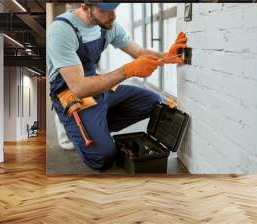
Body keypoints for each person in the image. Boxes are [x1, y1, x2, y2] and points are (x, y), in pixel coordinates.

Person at [47, 2, 187, 170]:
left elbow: (139, 53)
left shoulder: (108, 25)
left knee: (154, 103)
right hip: (72, 93)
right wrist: (126, 71)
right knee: (103, 158)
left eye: (114, 8)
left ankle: (95, 125)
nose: (112, 15)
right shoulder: (61, 30)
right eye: (105, 10)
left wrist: (165, 56)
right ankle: (74, 126)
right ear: (85, 7)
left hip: (97, 86)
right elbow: (79, 87)